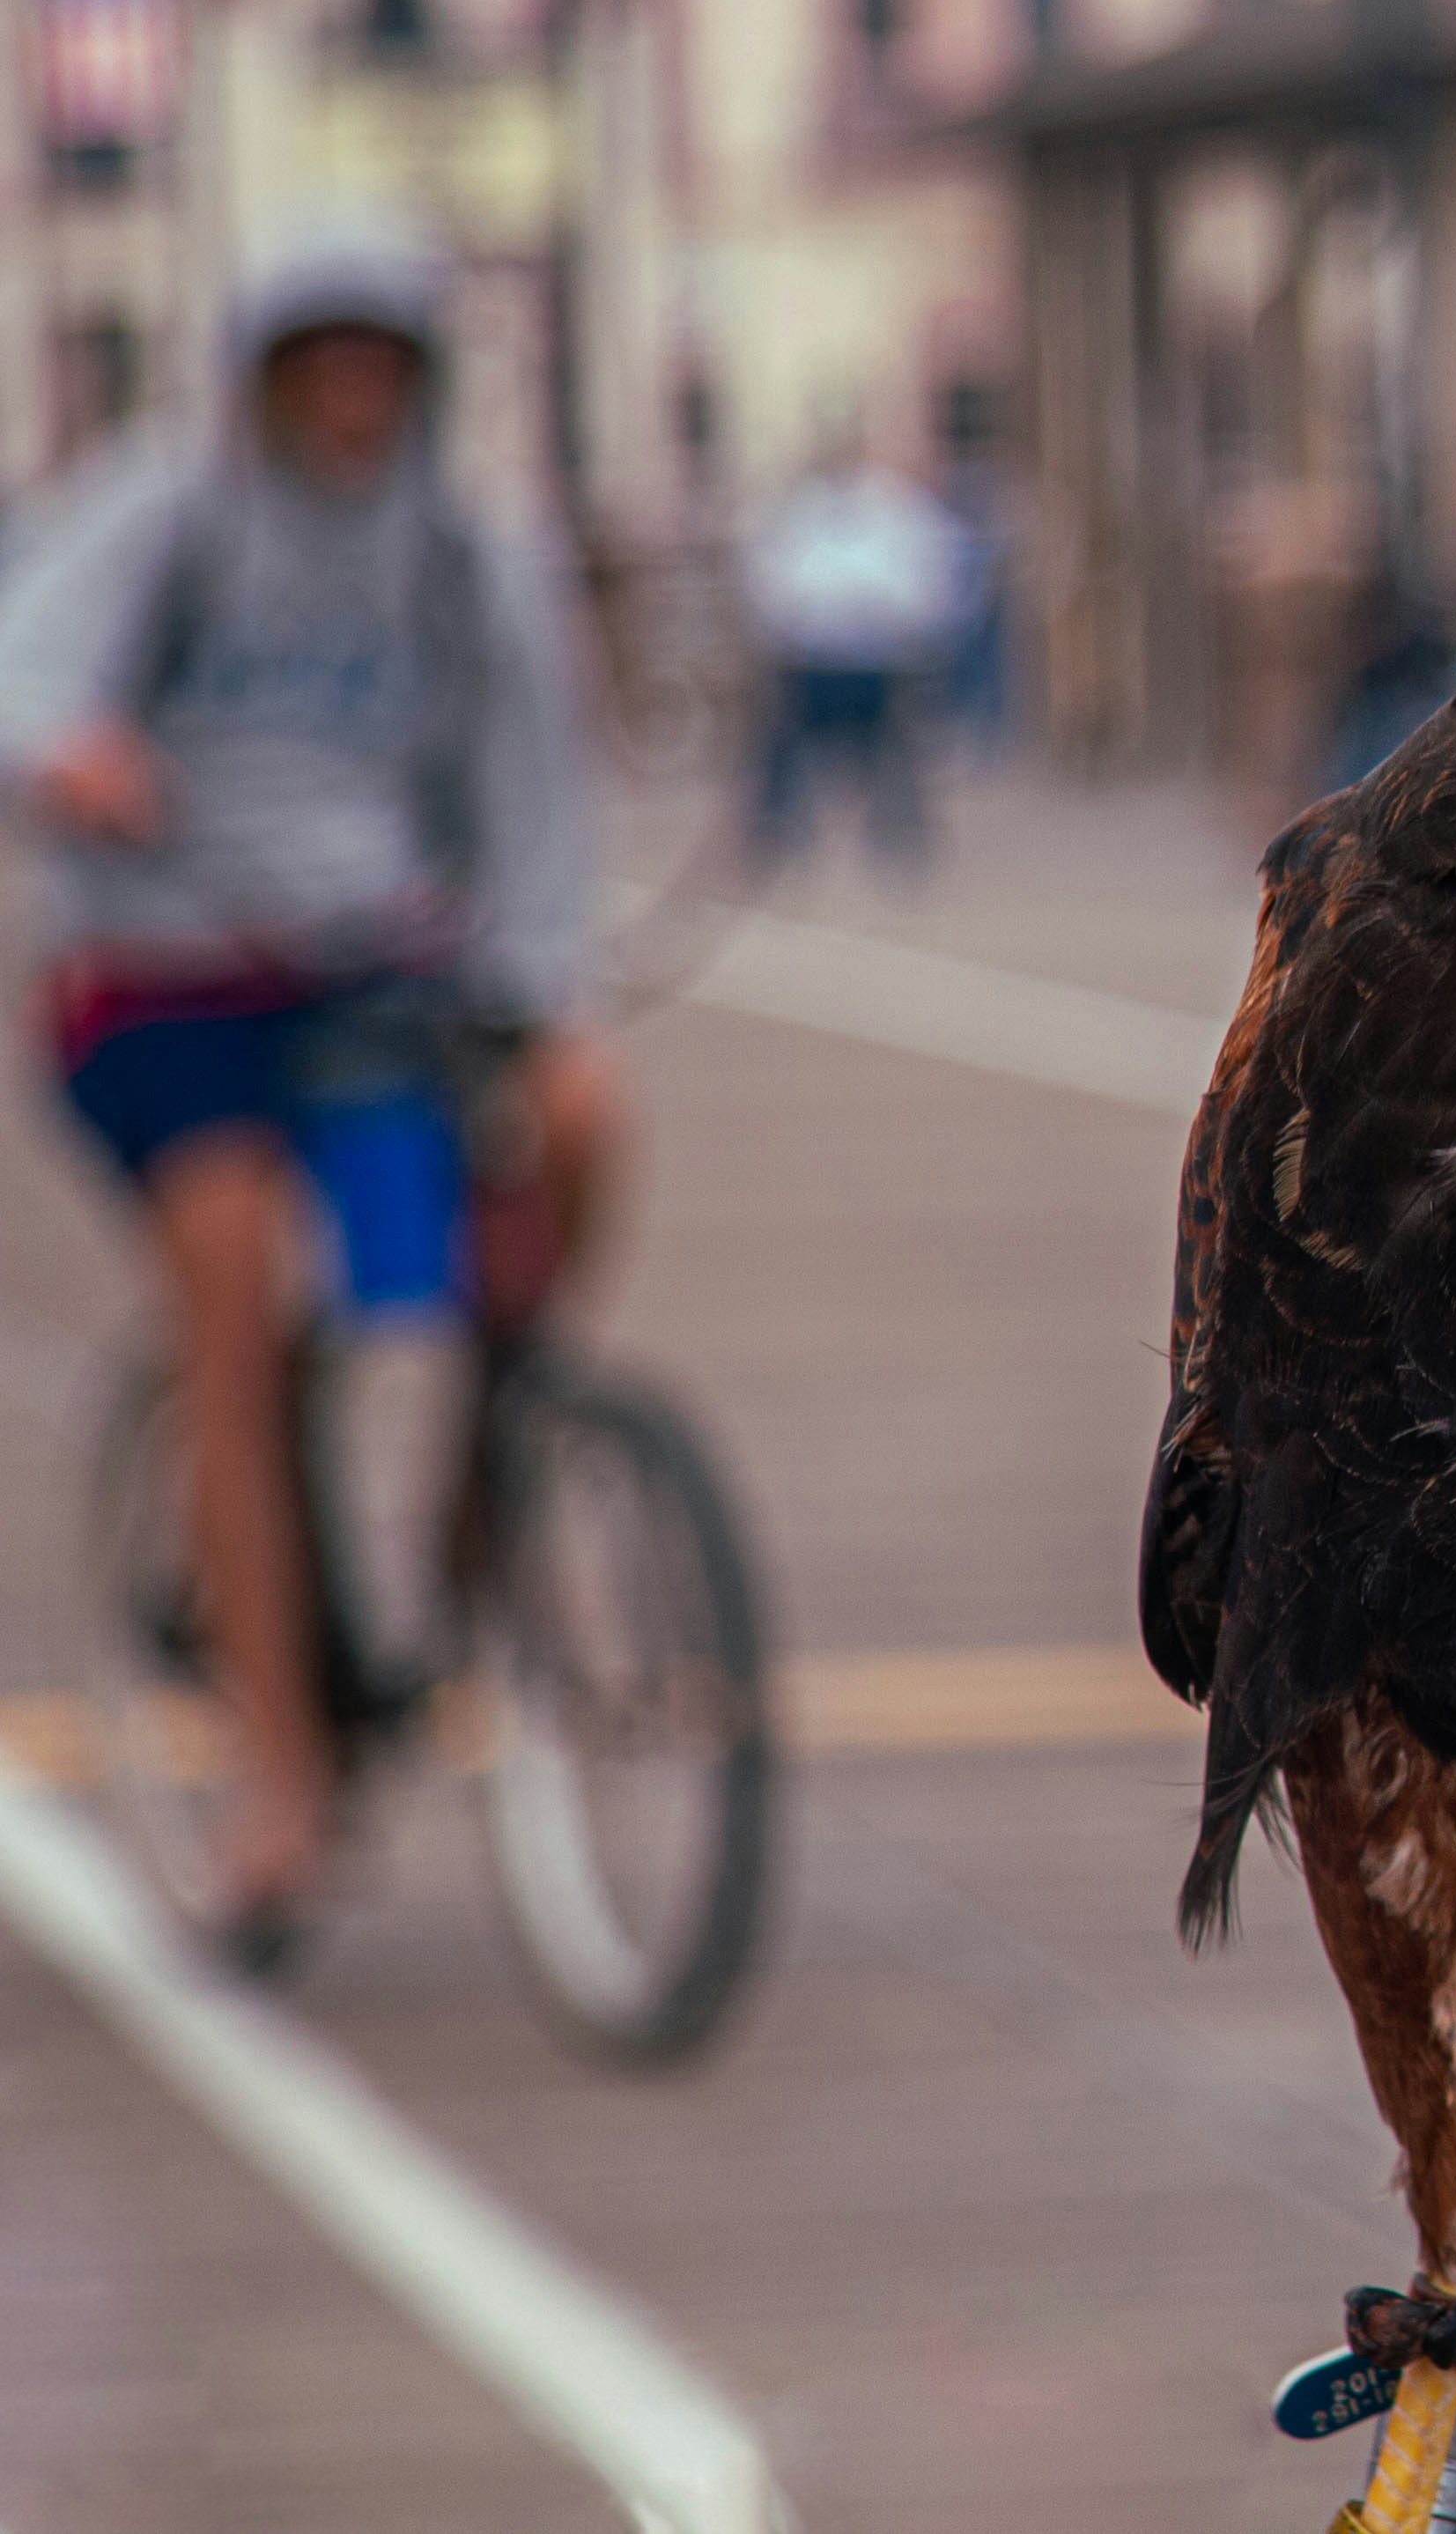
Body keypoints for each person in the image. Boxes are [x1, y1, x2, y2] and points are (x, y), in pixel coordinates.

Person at [0, 219, 616, 1948]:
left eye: (380, 360)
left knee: (580, 1126)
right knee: (240, 1269)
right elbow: (22, 672)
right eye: (316, 358)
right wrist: (75, 755)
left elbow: (535, 788)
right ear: (263, 368)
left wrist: (540, 990)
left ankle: (476, 1499)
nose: (349, 393)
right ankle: (277, 1765)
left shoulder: (461, 552)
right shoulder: (163, 509)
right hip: (169, 977)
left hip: (373, 972)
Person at [740, 435, 968, 866]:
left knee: (894, 749)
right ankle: (777, 835)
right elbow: (771, 587)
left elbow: (930, 581)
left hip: (878, 665)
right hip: (813, 664)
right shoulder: (798, 511)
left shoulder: (895, 506)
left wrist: (887, 619)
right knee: (782, 741)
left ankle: (900, 839)